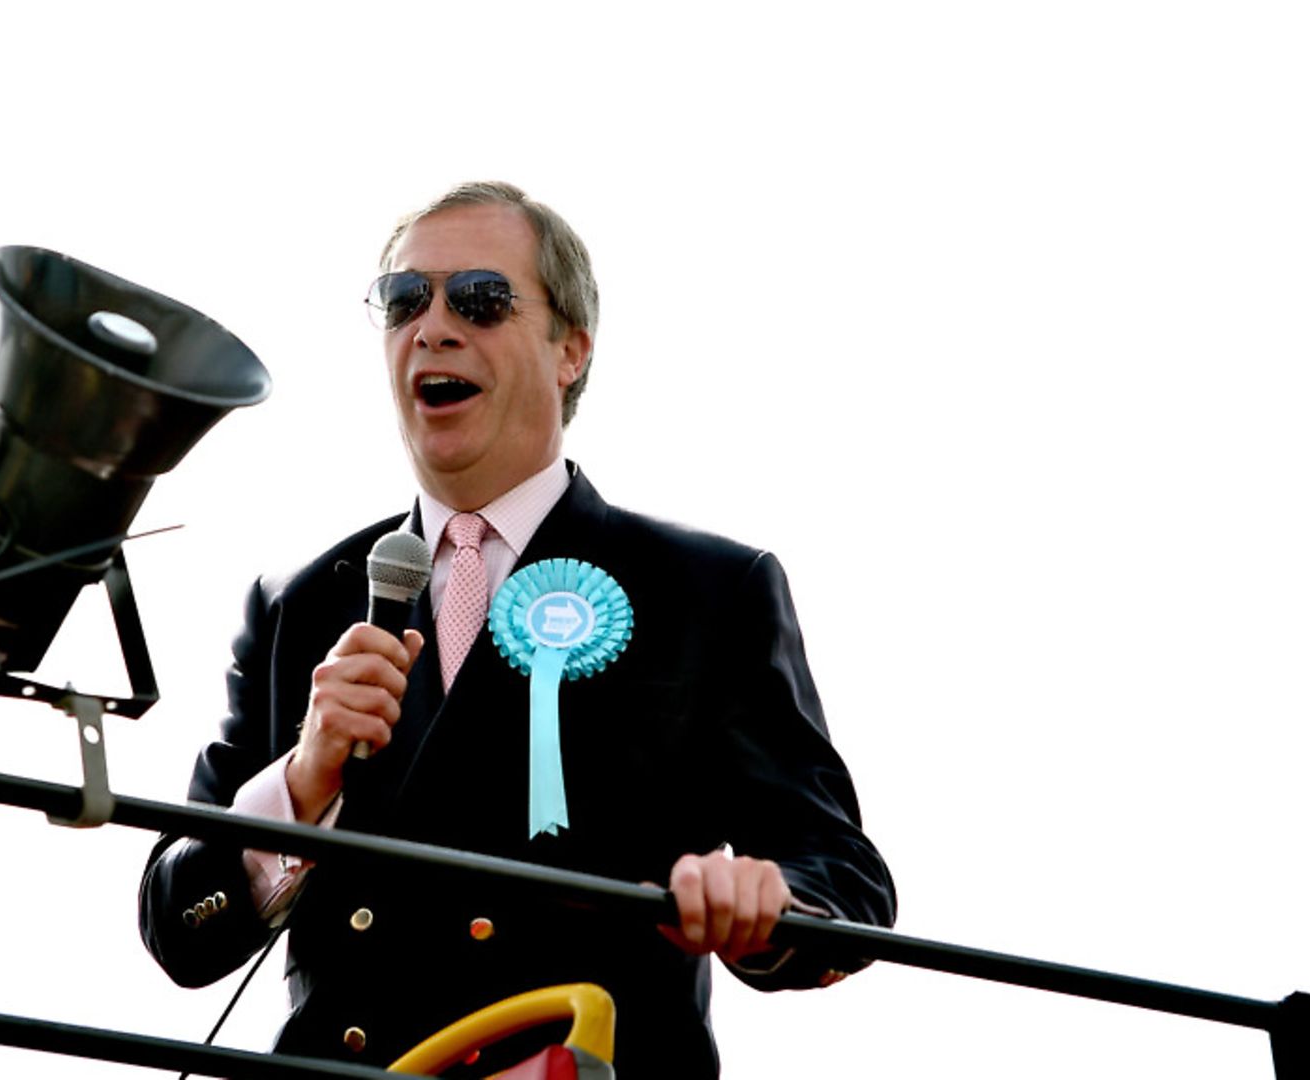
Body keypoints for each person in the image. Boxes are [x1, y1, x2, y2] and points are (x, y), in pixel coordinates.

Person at [139, 181, 895, 1076]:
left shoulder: (707, 590)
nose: (434, 326)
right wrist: (304, 782)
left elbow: (842, 877)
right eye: (404, 300)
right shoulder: (299, 603)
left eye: (481, 299)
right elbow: (178, 929)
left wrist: (765, 908)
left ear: (570, 350)